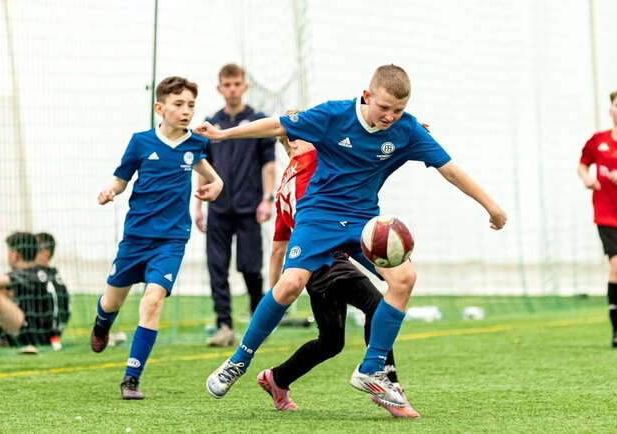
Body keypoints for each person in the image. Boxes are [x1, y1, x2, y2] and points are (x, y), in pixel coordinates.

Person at [196, 64, 507, 407]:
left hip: (363, 222)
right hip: (319, 216)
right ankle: (238, 361)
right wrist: (223, 135)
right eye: (384, 107)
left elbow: (450, 170)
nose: (390, 117)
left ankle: (371, 369)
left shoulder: (407, 130)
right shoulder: (333, 115)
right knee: (290, 284)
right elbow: (276, 125)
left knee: (404, 279)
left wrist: (491, 207)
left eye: (398, 110)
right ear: (367, 96)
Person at [257, 132, 419, 418]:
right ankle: (387, 383)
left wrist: (278, 299)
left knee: (331, 342)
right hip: (327, 260)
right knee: (376, 305)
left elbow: (277, 249)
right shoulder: (312, 164)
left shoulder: (284, 187)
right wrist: (402, 137)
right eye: (313, 133)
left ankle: (277, 378)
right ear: (294, 143)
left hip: (310, 266)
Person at [89, 76, 224, 400]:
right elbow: (121, 179)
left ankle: (131, 379)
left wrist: (217, 184)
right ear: (160, 108)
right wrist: (110, 190)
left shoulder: (195, 143)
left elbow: (209, 173)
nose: (186, 111)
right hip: (136, 238)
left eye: (191, 105)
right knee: (111, 302)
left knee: (152, 300)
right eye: (179, 104)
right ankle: (102, 324)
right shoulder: (140, 142)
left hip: (171, 240)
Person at [195, 63, 276, 347]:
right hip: (217, 209)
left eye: (236, 84)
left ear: (244, 86)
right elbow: (202, 165)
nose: (232, 89)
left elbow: (269, 164)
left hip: (249, 207)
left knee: (250, 267)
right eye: (227, 85)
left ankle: (258, 319)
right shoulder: (210, 122)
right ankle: (224, 326)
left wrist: (267, 199)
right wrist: (198, 207)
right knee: (217, 268)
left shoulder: (257, 121)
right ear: (219, 88)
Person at [578, 89, 617, 348]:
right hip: (608, 214)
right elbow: (583, 164)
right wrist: (587, 178)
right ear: (611, 110)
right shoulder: (598, 141)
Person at [0, 232, 54, 351]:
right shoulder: (37, 273)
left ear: (15, 255)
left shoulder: (33, 274)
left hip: (36, 336)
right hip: (32, 331)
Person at [35, 232, 70, 350]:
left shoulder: (37, 274)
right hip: (56, 333)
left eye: (33, 249)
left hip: (40, 333)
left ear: (45, 253)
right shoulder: (55, 275)